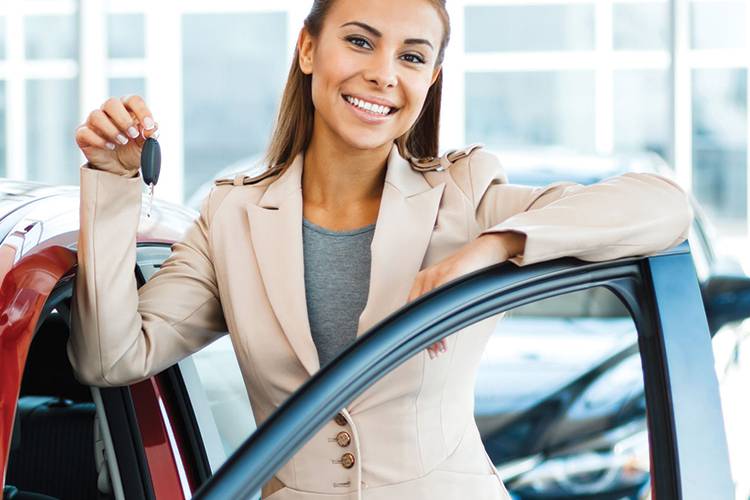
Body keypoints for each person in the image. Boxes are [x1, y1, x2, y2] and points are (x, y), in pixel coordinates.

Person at [69, 0, 693, 498]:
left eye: (413, 56)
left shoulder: (465, 196)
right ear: (309, 48)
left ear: (431, 79)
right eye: (361, 41)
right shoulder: (231, 217)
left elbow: (663, 205)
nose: (384, 74)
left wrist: (489, 250)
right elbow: (111, 358)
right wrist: (111, 181)